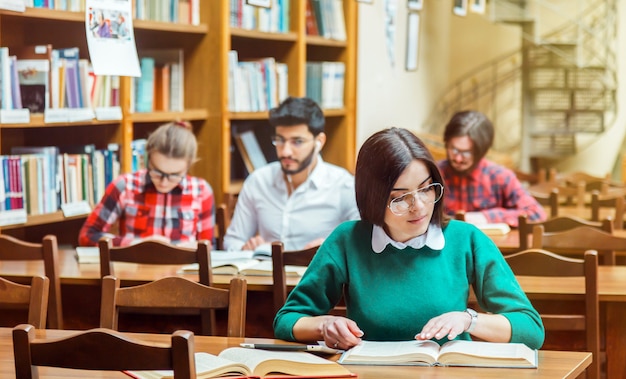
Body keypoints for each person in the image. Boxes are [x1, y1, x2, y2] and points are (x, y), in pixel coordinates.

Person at [273, 127, 544, 351]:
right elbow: (287, 320)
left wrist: (469, 320)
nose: (419, 206)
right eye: (400, 198)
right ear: (373, 199)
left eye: (426, 188)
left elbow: (530, 329)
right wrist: (325, 325)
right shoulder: (348, 240)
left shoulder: (466, 239)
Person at [223, 96, 359, 252]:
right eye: (280, 140)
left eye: (297, 142)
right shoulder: (258, 181)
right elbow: (232, 241)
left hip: (319, 275)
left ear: (319, 141)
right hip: (268, 274)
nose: (286, 151)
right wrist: (245, 249)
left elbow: (361, 246)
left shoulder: (344, 186)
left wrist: (333, 249)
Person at [78, 121, 215, 247]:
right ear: (147, 159)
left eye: (175, 175)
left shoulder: (202, 192)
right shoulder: (125, 186)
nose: (164, 182)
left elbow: (208, 247)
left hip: (182, 273)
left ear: (188, 165)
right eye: (157, 172)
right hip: (133, 271)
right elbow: (87, 235)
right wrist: (138, 244)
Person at [437, 110, 547, 227]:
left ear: (482, 151)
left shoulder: (500, 176)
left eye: (467, 152)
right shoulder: (433, 173)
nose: (458, 159)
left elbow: (536, 213)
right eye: (454, 149)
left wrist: (486, 217)